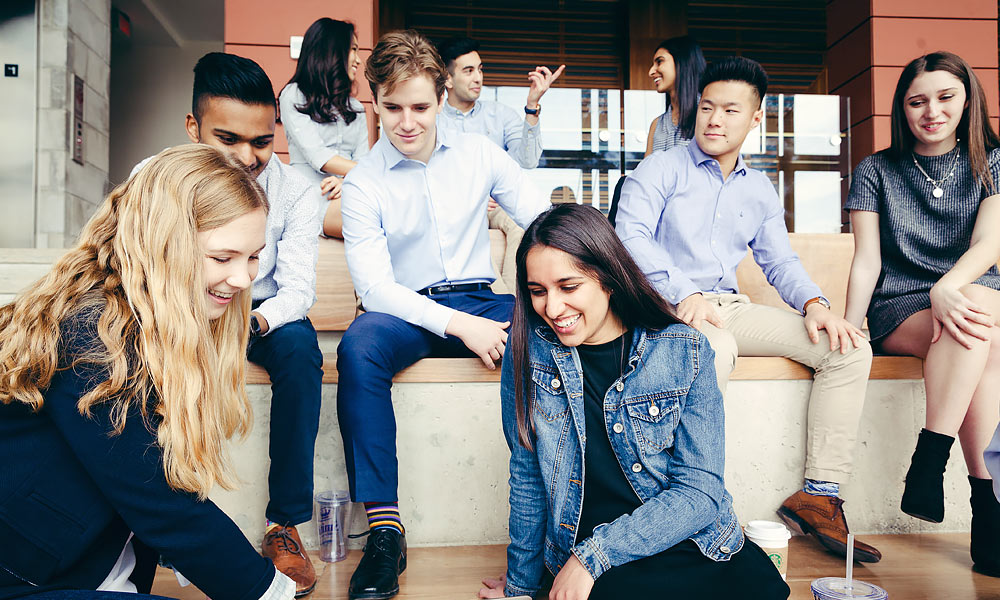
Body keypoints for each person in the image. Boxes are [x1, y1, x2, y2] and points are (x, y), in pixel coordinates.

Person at [0, 145, 297, 600]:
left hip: (81, 566)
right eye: (223, 258)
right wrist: (270, 592)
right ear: (163, 247)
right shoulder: (90, 333)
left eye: (253, 256)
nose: (242, 279)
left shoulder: (146, 323)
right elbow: (160, 503)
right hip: (24, 574)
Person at [615, 56, 880, 563]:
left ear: (755, 119)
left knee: (847, 348)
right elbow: (629, 237)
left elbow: (778, 260)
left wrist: (816, 303)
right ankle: (693, 504)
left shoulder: (758, 188)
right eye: (707, 107)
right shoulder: (659, 168)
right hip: (665, 308)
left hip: (728, 305)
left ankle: (819, 496)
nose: (715, 119)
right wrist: (680, 294)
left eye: (730, 110)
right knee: (714, 349)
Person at [476, 203, 789, 600]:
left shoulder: (684, 350)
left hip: (679, 539)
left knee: (764, 588)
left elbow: (700, 492)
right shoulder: (528, 353)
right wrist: (520, 587)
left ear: (608, 278)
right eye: (538, 292)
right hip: (590, 557)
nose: (552, 308)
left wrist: (592, 557)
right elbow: (527, 477)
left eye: (568, 287)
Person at [336, 30, 550, 600]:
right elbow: (377, 288)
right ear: (374, 101)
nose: (407, 122)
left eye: (421, 107)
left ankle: (558, 521)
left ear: (441, 94)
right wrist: (462, 327)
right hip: (404, 308)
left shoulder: (480, 154)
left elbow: (541, 216)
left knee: (551, 330)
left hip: (483, 294)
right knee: (357, 348)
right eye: (393, 107)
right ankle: (385, 533)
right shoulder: (362, 185)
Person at [133, 52, 324, 596]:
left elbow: (298, 290)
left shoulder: (297, 192)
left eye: (262, 142)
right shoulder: (151, 179)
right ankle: (164, 523)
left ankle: (283, 524)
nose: (247, 157)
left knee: (301, 351)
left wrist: (252, 323)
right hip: (179, 312)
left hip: (260, 316)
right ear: (192, 128)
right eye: (228, 139)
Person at [844, 50, 1000, 577]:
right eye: (917, 101)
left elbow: (990, 243)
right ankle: (988, 502)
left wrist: (948, 287)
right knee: (982, 332)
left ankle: (930, 459)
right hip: (903, 306)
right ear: (902, 108)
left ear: (967, 100)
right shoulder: (876, 171)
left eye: (945, 97)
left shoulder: (992, 163)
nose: (931, 110)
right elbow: (867, 260)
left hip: (974, 290)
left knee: (973, 311)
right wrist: (851, 322)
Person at [279, 17, 369, 238]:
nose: (358, 60)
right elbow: (319, 156)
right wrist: (370, 174)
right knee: (367, 215)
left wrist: (346, 180)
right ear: (332, 51)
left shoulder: (356, 108)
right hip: (313, 193)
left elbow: (363, 160)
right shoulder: (293, 95)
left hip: (350, 188)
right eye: (353, 50)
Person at [435, 36, 564, 170]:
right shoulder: (433, 121)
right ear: (447, 80)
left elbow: (528, 161)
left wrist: (532, 106)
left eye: (480, 69)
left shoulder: (501, 115)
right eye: (469, 71)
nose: (478, 78)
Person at [644, 35, 706, 156]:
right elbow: (646, 172)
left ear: (682, 62)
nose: (651, 71)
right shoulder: (657, 125)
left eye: (659, 62)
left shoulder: (708, 116)